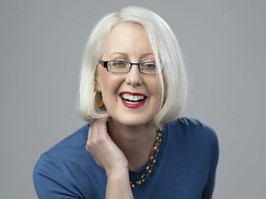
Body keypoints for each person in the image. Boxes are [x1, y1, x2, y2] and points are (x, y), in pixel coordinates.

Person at [33, 6, 219, 199]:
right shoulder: (57, 171)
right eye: (119, 63)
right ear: (96, 78)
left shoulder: (201, 143)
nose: (134, 79)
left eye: (150, 65)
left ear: (169, 78)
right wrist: (116, 172)